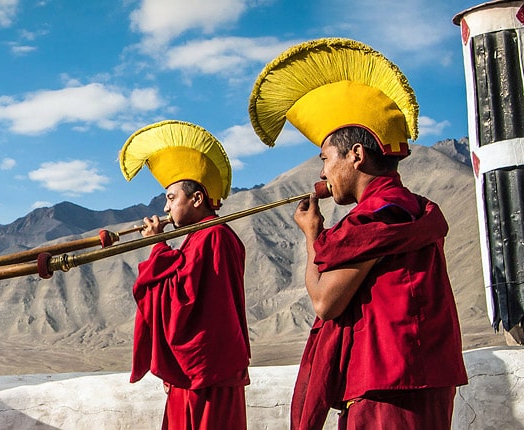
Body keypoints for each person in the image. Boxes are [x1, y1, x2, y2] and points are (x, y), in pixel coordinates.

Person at [248, 38, 468, 429]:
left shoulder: (379, 216)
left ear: (356, 155)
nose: (322, 173)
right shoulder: (413, 207)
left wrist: (312, 235)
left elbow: (325, 302)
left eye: (326, 159)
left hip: (388, 384)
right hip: (420, 376)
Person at [119, 120, 250, 429]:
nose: (165, 209)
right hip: (194, 375)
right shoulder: (199, 238)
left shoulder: (213, 237)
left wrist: (158, 247)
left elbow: (182, 300)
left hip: (207, 375)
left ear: (197, 199)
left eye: (170, 197)